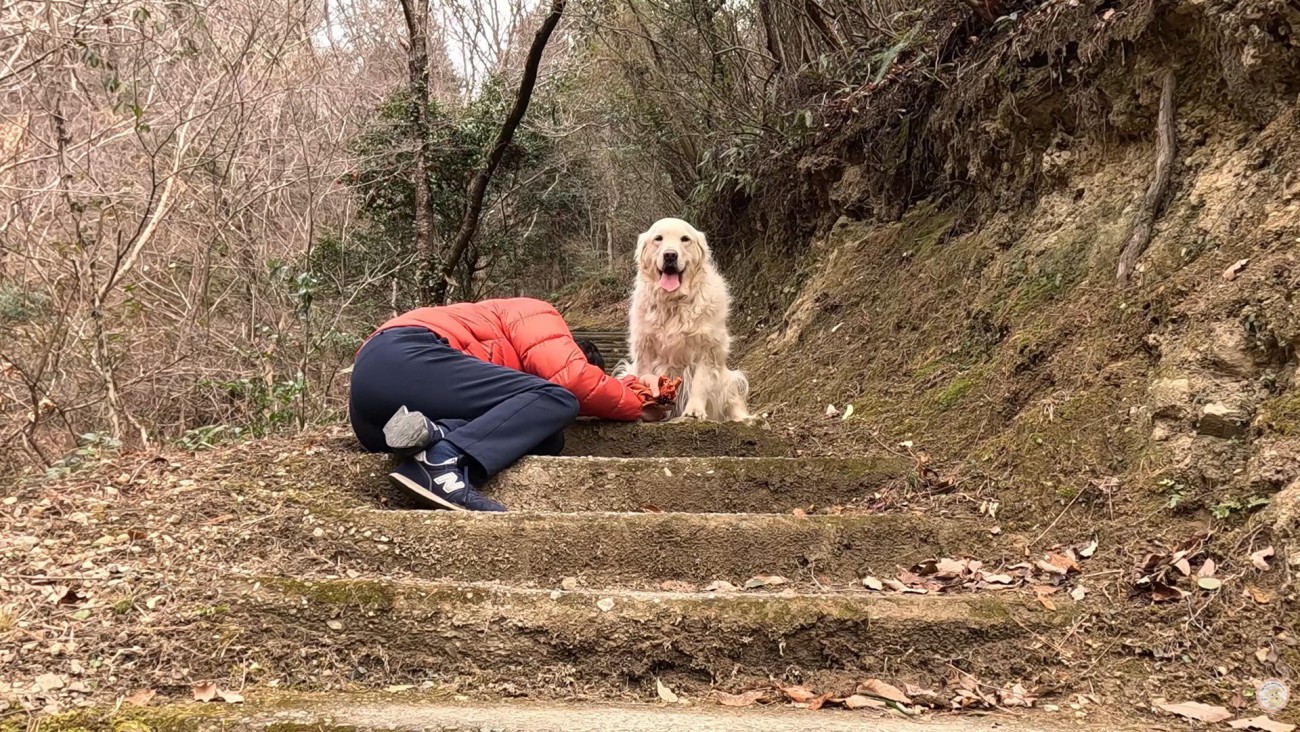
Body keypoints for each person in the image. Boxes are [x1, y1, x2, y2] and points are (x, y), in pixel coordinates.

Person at [349, 297, 669, 512]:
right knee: (557, 399)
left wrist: (634, 387)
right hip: (405, 352)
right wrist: (634, 401)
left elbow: (542, 405)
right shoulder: (533, 312)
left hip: (374, 415)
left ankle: (434, 436)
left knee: (549, 437)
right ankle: (440, 461)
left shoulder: (507, 384)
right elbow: (570, 379)